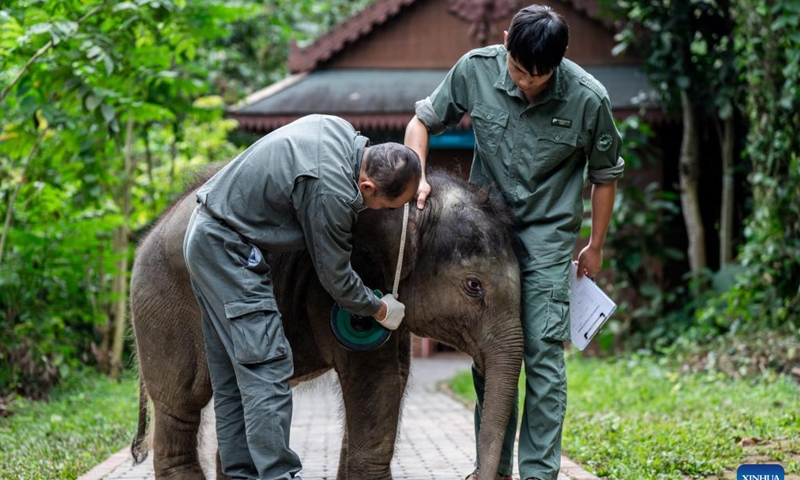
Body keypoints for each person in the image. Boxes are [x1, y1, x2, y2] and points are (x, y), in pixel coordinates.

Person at [404, 5, 624, 480]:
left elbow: (605, 176)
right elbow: (420, 123)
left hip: (548, 236)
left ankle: (540, 473)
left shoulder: (589, 98)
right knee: (493, 352)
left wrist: (596, 243)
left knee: (542, 354)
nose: (527, 83)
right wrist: (417, 177)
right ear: (505, 42)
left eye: (539, 77)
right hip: (488, 234)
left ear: (560, 63)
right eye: (520, 71)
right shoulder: (475, 69)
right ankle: (494, 470)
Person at [183, 114, 421, 480]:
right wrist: (378, 308)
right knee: (268, 366)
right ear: (368, 186)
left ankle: (240, 475)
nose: (387, 214)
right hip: (227, 250)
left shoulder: (339, 130)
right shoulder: (333, 193)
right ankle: (279, 475)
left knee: (233, 374)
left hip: (205, 234)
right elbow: (336, 277)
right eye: (388, 207)